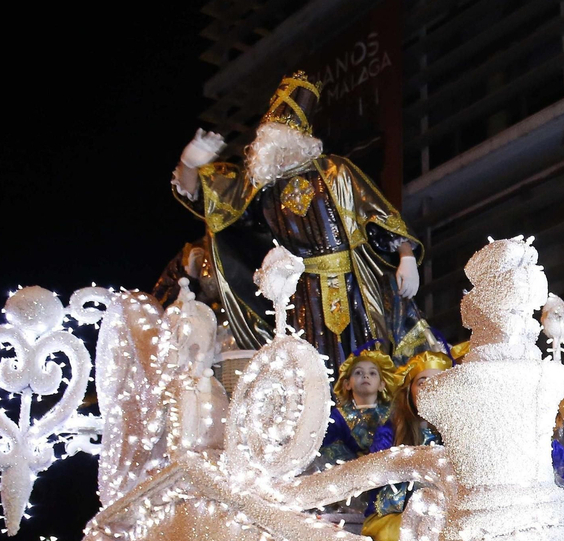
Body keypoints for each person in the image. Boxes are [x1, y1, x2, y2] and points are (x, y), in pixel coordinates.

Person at [171, 72, 444, 364]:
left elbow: (379, 215)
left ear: (300, 139)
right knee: (309, 364)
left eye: (280, 139)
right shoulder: (262, 187)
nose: (273, 148)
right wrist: (188, 165)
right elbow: (210, 200)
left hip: (353, 284)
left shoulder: (336, 171)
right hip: (300, 293)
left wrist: (406, 257)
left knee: (366, 357)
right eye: (269, 140)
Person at [361, 352, 454, 541]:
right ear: (409, 391)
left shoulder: (458, 433)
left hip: (445, 520)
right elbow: (372, 469)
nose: (430, 388)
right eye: (422, 382)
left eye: (438, 381)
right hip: (395, 520)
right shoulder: (391, 430)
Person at [320, 346, 401, 464]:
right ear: (347, 384)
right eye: (358, 372)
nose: (365, 376)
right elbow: (329, 449)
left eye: (372, 373)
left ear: (381, 385)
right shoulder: (338, 416)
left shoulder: (393, 413)